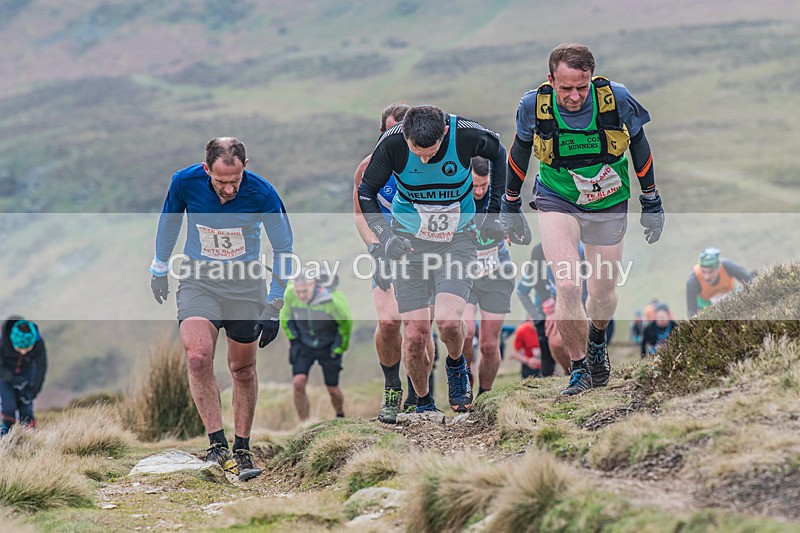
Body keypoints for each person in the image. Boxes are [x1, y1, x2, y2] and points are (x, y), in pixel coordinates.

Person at [502, 43, 664, 396]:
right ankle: (579, 369)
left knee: (603, 294)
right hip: (557, 196)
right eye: (565, 88)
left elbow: (639, 143)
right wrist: (509, 203)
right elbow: (519, 150)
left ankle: (596, 343)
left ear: (591, 77)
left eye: (581, 86)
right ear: (551, 80)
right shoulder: (534, 106)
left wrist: (651, 199)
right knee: (569, 285)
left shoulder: (616, 98)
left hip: (609, 200)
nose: (574, 96)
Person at [150, 137, 293, 481]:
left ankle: (242, 448)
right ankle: (217, 445)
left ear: (246, 166)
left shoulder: (262, 193)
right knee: (198, 357)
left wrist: (275, 302)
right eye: (220, 181)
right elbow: (169, 222)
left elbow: (284, 248)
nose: (228, 189)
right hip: (200, 281)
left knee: (241, 368)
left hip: (246, 288)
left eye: (235, 180)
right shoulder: (185, 182)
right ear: (206, 170)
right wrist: (159, 267)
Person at [358, 105, 508, 413]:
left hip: (457, 242)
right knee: (414, 336)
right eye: (417, 151)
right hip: (409, 245)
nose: (424, 158)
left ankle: (456, 367)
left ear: (443, 134)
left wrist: (495, 212)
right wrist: (386, 238)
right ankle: (423, 402)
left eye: (431, 151)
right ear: (407, 136)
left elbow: (500, 153)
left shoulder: (466, 134)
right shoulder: (392, 143)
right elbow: (365, 194)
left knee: (450, 323)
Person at [352, 102, 437, 423]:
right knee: (388, 322)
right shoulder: (367, 168)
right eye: (392, 132)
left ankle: (420, 393)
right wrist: (376, 249)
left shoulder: (430, 161)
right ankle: (391, 387)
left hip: (427, 252)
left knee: (421, 331)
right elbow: (360, 214)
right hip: (387, 250)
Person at [462, 156, 530, 396]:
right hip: (464, 275)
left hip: (497, 274)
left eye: (484, 185)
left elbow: (525, 236)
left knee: (489, 344)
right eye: (474, 185)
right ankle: (464, 375)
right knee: (466, 333)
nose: (479, 191)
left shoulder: (500, 198)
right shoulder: (457, 198)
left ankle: (485, 395)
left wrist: (506, 225)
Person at [280, 273, 352, 421]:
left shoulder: (332, 300)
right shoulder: (289, 294)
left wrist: (338, 348)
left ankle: (340, 415)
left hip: (329, 345)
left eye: (304, 291)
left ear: (313, 285)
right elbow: (285, 318)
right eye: (298, 292)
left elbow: (346, 325)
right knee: (298, 383)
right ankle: (304, 423)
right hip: (304, 344)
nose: (301, 295)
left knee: (332, 389)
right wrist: (294, 341)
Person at [0, 317, 47, 435]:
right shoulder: (2, 342)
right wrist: (13, 379)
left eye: (27, 348)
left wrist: (34, 390)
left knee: (26, 405)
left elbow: (41, 367)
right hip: (5, 375)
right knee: (9, 406)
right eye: (20, 348)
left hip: (27, 373)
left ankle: (30, 435)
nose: (23, 352)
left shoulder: (38, 342)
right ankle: (6, 434)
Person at [686, 247, 752, 317]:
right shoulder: (693, 280)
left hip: (732, 296)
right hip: (706, 307)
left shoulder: (727, 266)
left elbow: (749, 279)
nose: (706, 277)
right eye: (703, 271)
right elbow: (691, 311)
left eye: (710, 272)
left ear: (718, 269)